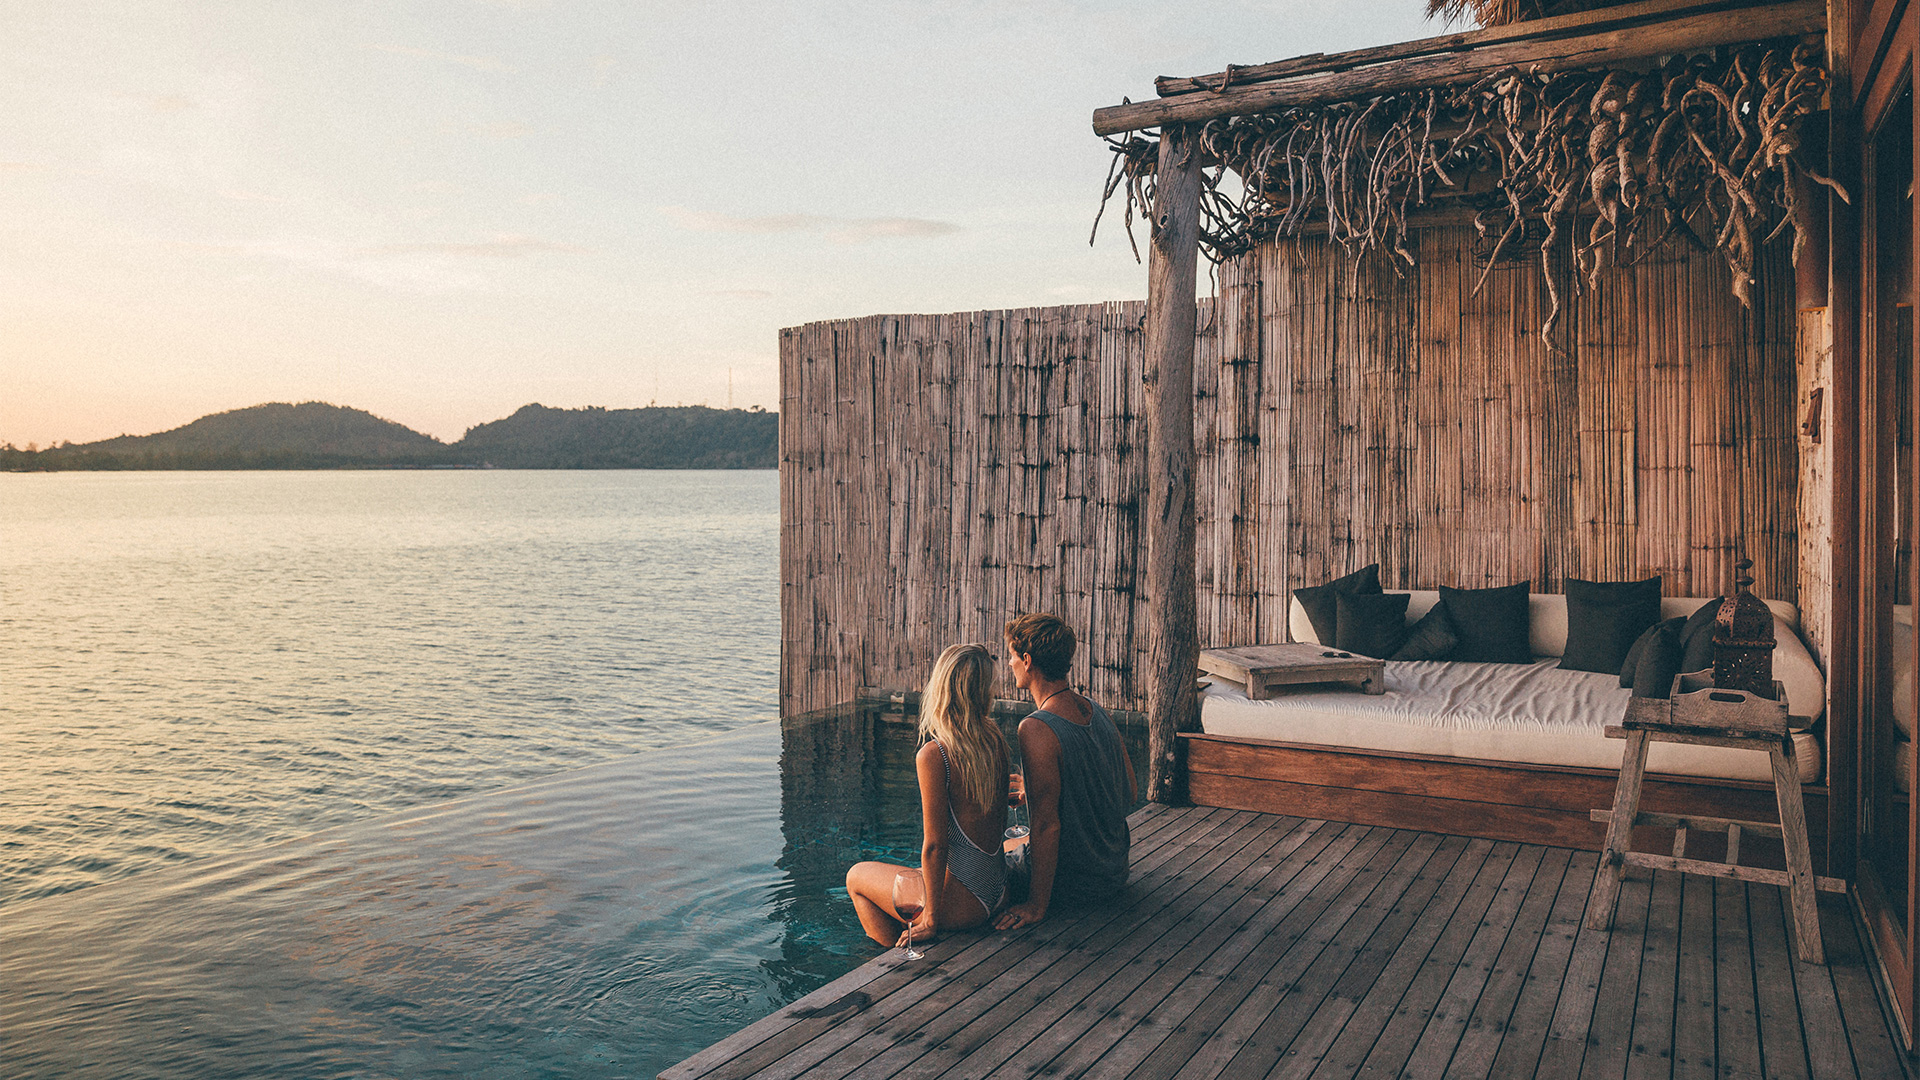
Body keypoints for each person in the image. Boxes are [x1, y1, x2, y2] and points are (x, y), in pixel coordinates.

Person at [846, 643, 1011, 947]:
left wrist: (931, 919)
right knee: (914, 873)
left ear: (941, 688)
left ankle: (891, 958)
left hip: (964, 905)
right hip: (996, 889)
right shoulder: (994, 739)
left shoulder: (936, 755)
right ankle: (902, 944)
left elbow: (935, 845)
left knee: (857, 876)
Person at [994, 613, 1135, 932]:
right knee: (1005, 847)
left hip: (1074, 884)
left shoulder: (1035, 727)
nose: (1009, 664)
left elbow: (1046, 825)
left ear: (1027, 660)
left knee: (967, 871)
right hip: (1113, 870)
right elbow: (1129, 791)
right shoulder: (1097, 710)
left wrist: (1036, 905)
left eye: (1012, 656)